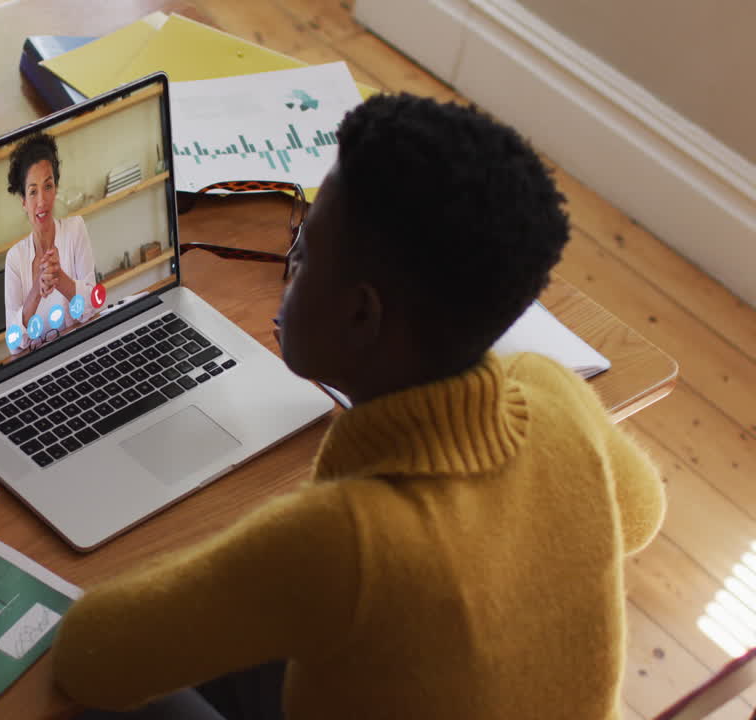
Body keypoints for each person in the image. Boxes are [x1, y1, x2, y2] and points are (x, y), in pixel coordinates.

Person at [51, 93, 665, 719]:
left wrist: (248, 558)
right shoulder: (553, 392)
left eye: (304, 252)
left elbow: (89, 655)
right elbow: (642, 512)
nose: (291, 265)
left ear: (360, 314)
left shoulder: (343, 542)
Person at [3, 132, 97, 353]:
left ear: (56, 189)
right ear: (23, 201)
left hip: (81, 352)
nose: (42, 201)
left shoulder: (75, 229)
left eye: (48, 186)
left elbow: (93, 307)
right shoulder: (15, 259)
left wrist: (59, 278)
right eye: (33, 192)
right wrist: (37, 289)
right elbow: (14, 344)